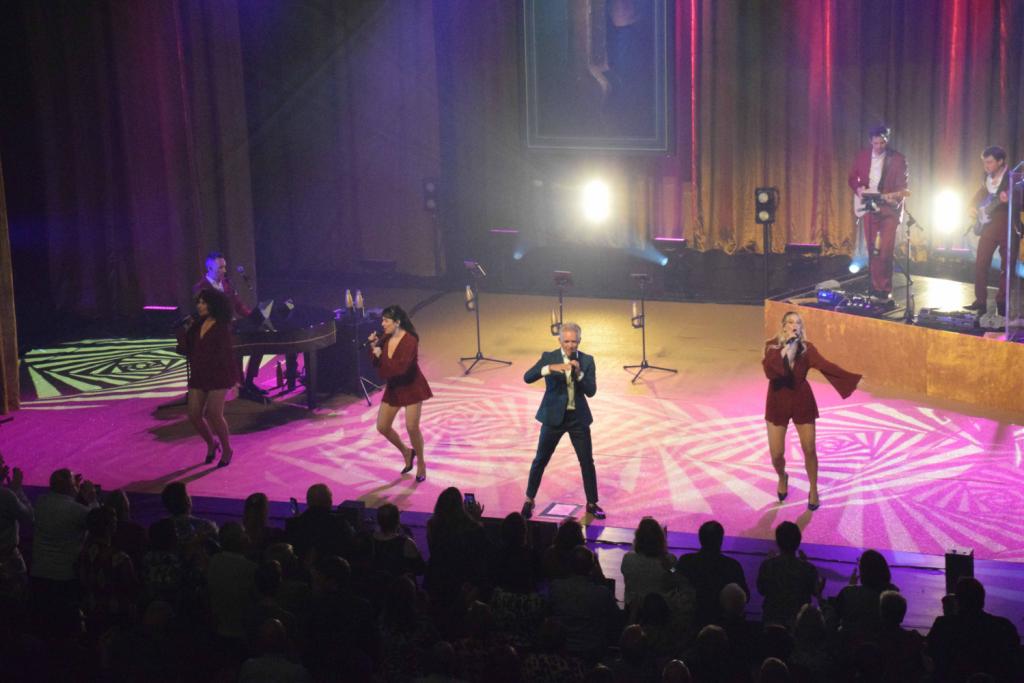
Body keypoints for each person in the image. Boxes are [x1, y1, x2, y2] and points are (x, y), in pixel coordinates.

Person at [763, 311, 861, 510]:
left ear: (801, 327)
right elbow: (770, 371)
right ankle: (782, 476)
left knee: (809, 449)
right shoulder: (772, 346)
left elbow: (826, 366)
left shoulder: (807, 349)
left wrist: (852, 379)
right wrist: (786, 347)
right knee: (777, 454)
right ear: (783, 325)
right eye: (790, 322)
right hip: (778, 399)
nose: (794, 326)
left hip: (801, 399)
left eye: (798, 323)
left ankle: (814, 489)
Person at [521, 322, 604, 520]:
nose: (570, 345)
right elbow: (528, 377)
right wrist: (550, 368)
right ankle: (529, 499)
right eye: (566, 341)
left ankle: (592, 503)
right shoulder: (549, 357)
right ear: (560, 341)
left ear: (579, 341)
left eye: (574, 341)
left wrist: (579, 373)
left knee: (587, 461)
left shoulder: (587, 360)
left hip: (577, 419)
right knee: (541, 459)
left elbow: (591, 391)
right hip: (553, 418)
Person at [367, 305, 432, 482]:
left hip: (411, 387)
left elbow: (400, 368)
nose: (382, 324)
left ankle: (421, 463)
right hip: (395, 387)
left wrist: (381, 355)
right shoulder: (385, 337)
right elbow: (376, 363)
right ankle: (406, 452)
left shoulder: (410, 340)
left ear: (397, 322)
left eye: (386, 321)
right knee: (382, 426)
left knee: (412, 427)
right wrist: (374, 346)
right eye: (382, 320)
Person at [193, 251, 268, 399]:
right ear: (209, 268)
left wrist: (253, 317)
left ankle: (249, 381)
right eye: (220, 268)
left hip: (232, 327)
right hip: (215, 332)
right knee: (237, 346)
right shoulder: (201, 287)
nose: (224, 270)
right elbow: (205, 315)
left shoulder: (226, 283)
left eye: (224, 267)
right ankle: (239, 385)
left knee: (260, 339)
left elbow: (238, 305)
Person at [177, 288, 239, 466]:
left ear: (213, 304)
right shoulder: (197, 325)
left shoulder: (221, 327)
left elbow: (227, 355)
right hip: (199, 373)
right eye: (198, 302)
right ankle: (212, 443)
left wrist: (234, 380)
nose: (199, 306)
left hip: (218, 375)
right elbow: (186, 348)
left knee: (214, 414)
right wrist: (184, 330)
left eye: (203, 303)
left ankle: (227, 449)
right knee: (193, 415)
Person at [848, 125, 909, 298]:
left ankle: (885, 289)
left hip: (889, 209)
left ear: (887, 141)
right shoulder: (862, 156)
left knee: (885, 251)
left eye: (882, 143)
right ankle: (875, 286)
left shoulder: (898, 159)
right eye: (876, 143)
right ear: (871, 141)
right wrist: (859, 189)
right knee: (872, 249)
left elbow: (903, 188)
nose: (879, 146)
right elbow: (852, 178)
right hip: (869, 205)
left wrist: (893, 197)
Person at [966, 146, 1016, 316]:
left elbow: (1021, 199)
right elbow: (981, 194)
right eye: (984, 162)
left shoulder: (1013, 178)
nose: (986, 166)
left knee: (1006, 267)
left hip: (1007, 225)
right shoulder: (986, 177)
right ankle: (980, 301)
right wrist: (972, 206)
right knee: (981, 263)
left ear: (1000, 161)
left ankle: (1002, 303)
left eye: (989, 162)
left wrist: (1011, 199)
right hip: (988, 226)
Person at [674, 520, 749, 628]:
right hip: (723, 623)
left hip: (692, 621)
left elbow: (673, 572)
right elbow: (745, 596)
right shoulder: (732, 566)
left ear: (700, 538)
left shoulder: (686, 561)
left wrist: (670, 566)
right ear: (721, 540)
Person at [756, 521, 821, 629]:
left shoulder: (768, 565)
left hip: (772, 621)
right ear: (798, 542)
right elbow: (815, 591)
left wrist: (768, 563)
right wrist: (806, 564)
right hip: (798, 624)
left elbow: (762, 590)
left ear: (777, 541)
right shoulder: (808, 568)